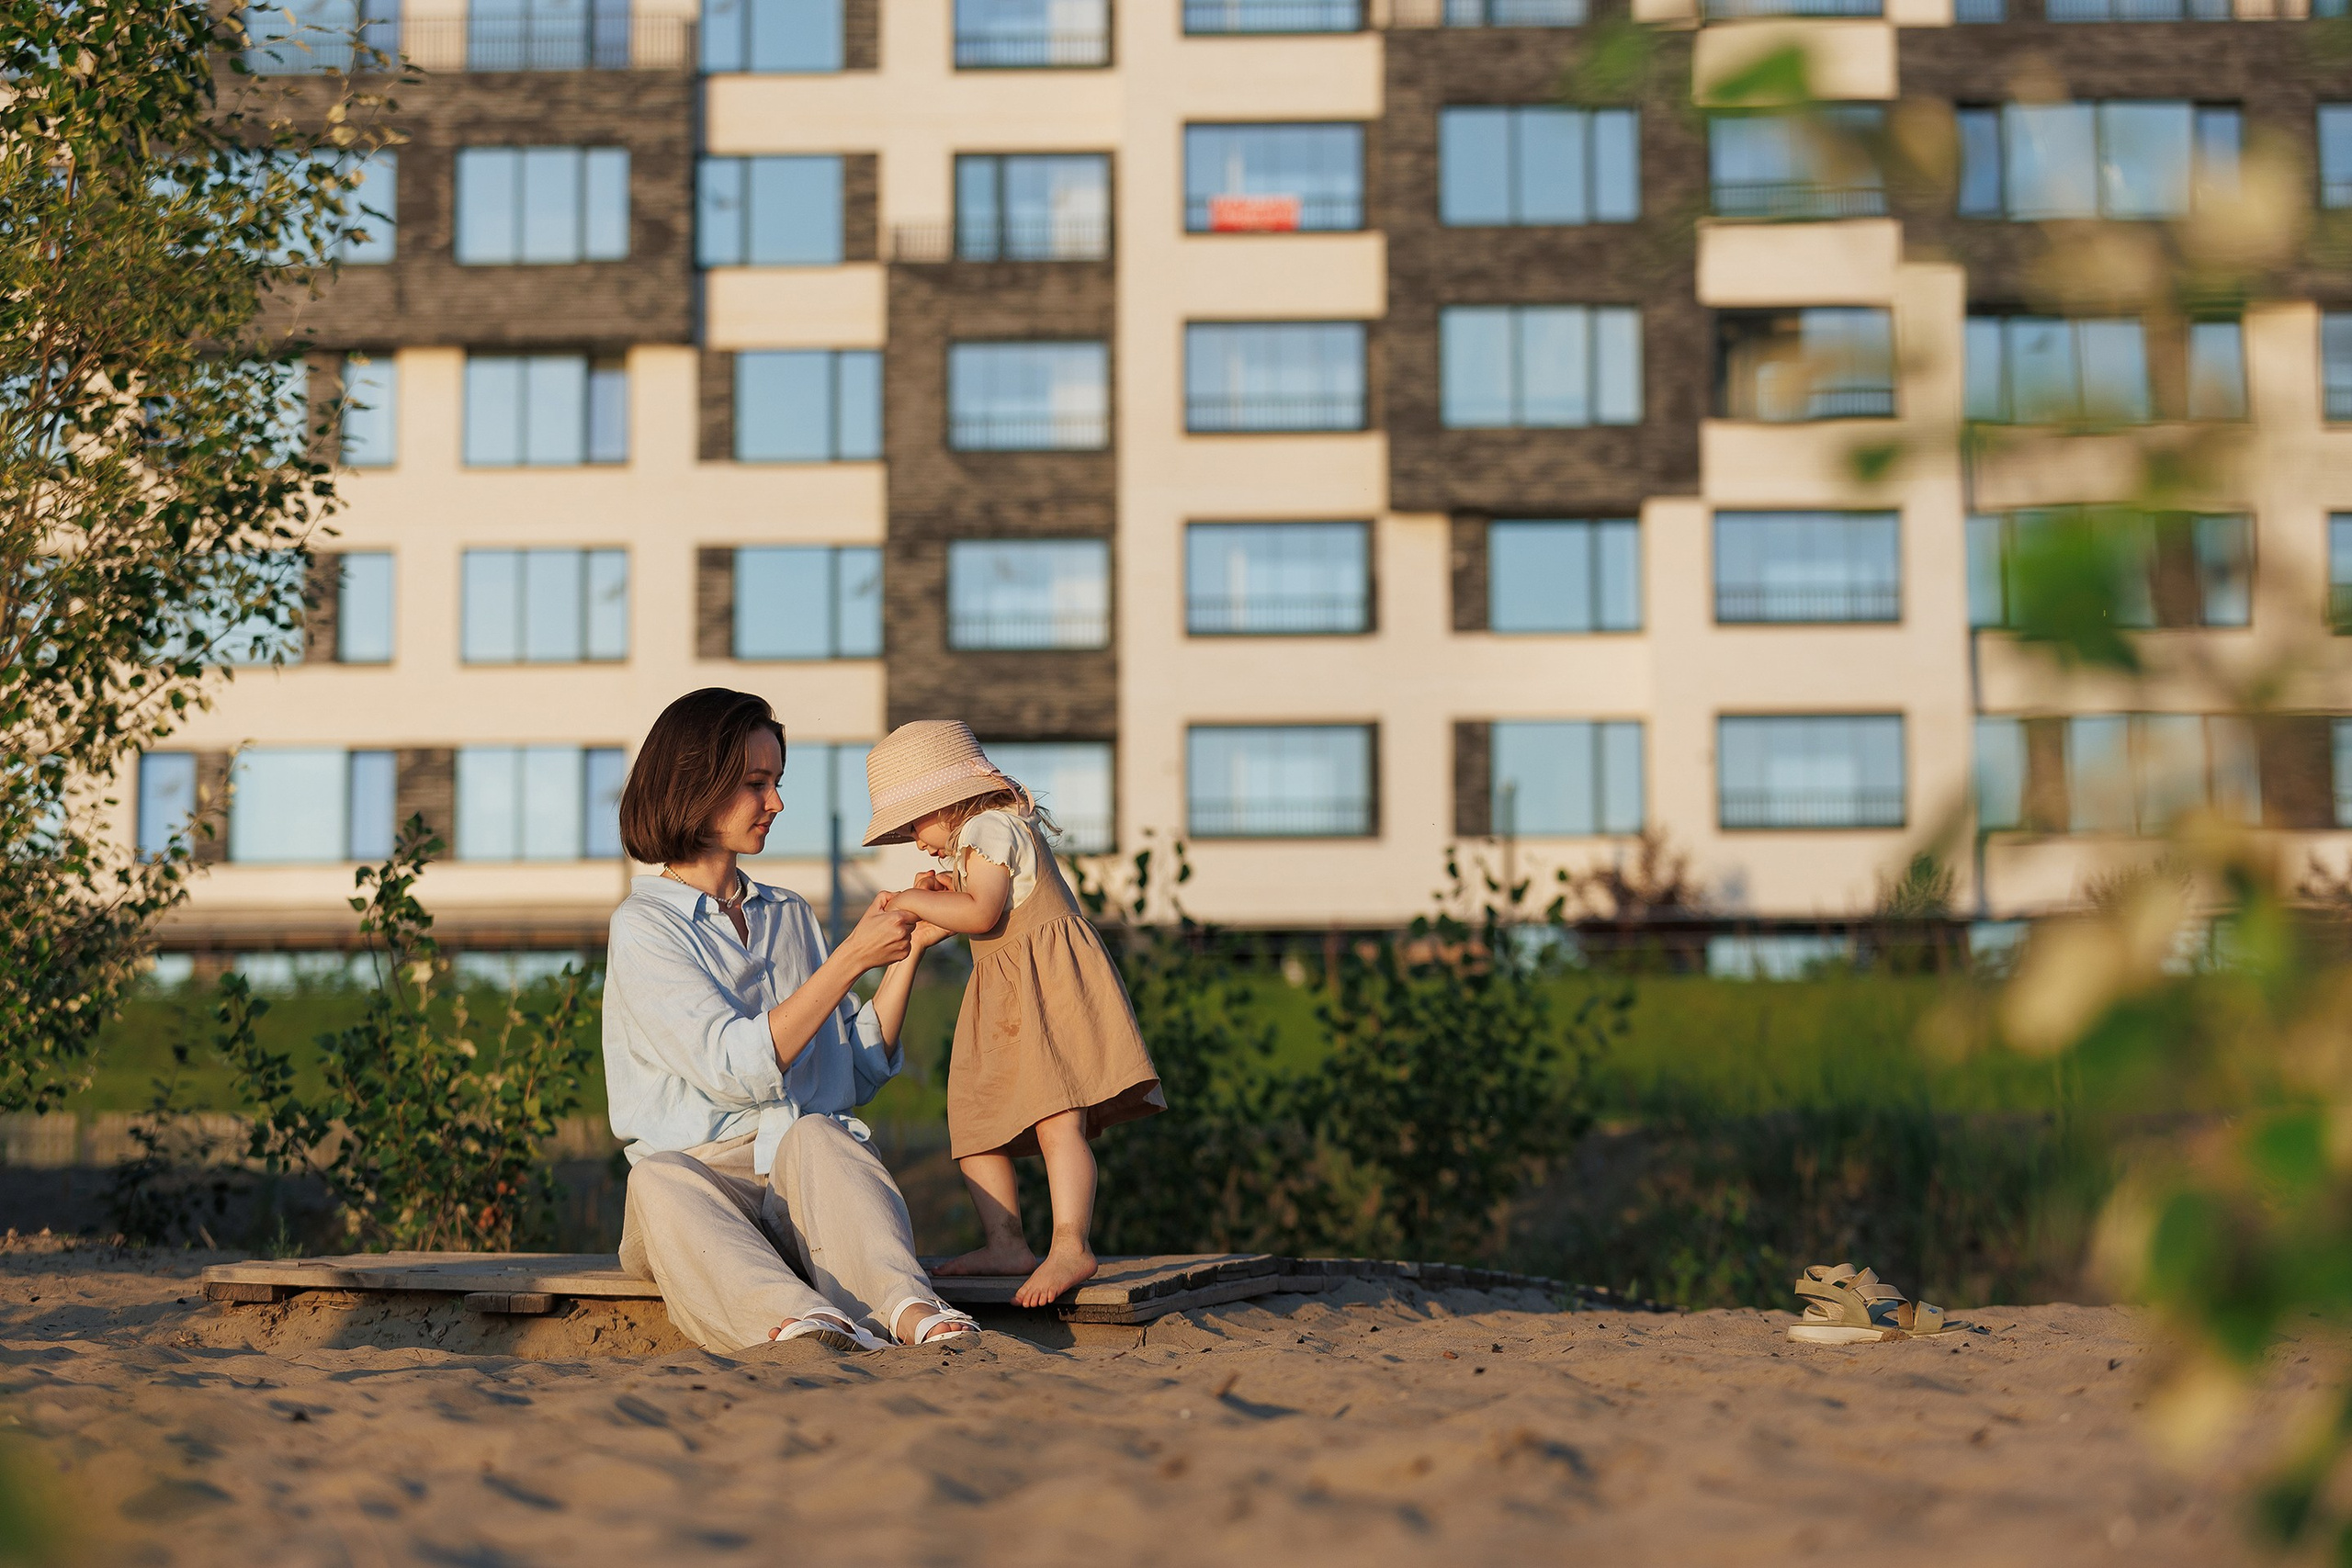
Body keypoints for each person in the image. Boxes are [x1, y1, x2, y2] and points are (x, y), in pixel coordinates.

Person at [603, 688, 980, 1354]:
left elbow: (851, 1068)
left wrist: (907, 952)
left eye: (776, 781)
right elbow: (734, 1065)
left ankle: (905, 1305)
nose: (775, 802)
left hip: (798, 1183)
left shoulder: (789, 914)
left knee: (822, 1135)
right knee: (656, 1178)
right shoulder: (643, 927)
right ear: (695, 783)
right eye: (755, 783)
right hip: (701, 1198)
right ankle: (797, 1320)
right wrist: (849, 959)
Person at [861, 720, 1164, 1309]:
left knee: (1058, 1118)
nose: (917, 842)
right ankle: (1006, 1244)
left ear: (947, 802)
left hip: (1044, 989)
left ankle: (1070, 1243)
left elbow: (980, 913)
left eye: (915, 825)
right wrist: (942, 888)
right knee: (975, 1121)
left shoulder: (991, 825)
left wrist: (909, 899)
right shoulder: (981, 838)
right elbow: (986, 903)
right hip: (1003, 996)